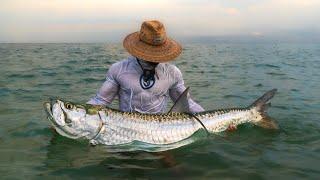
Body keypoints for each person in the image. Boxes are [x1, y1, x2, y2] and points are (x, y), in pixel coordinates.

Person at [87, 20, 204, 113]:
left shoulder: (172, 73)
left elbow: (187, 104)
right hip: (126, 131)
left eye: (157, 52)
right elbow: (100, 101)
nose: (153, 58)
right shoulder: (118, 69)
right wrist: (77, 114)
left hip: (161, 133)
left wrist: (213, 119)